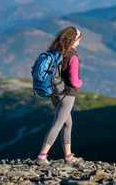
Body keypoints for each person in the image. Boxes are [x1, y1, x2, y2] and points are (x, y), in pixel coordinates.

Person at [36, 26, 83, 165]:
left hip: (54, 93)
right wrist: (80, 82)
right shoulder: (72, 57)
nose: (79, 43)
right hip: (67, 95)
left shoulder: (56, 53)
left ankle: (69, 157)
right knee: (57, 124)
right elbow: (74, 81)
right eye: (78, 40)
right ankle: (42, 156)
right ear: (72, 40)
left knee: (68, 124)